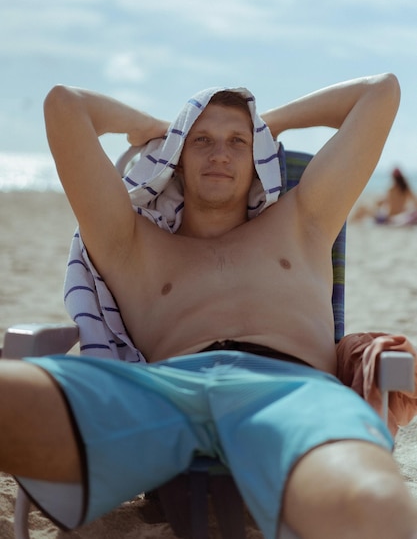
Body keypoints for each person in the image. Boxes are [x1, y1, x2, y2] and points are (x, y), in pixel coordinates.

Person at [1, 73, 417, 539]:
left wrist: (268, 122)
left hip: (292, 391)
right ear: (176, 158)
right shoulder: (132, 243)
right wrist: (152, 129)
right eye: (200, 139)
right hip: (159, 392)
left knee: (373, 503)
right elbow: (64, 105)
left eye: (238, 141)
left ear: (257, 156)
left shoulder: (305, 221)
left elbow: (380, 92)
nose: (220, 153)